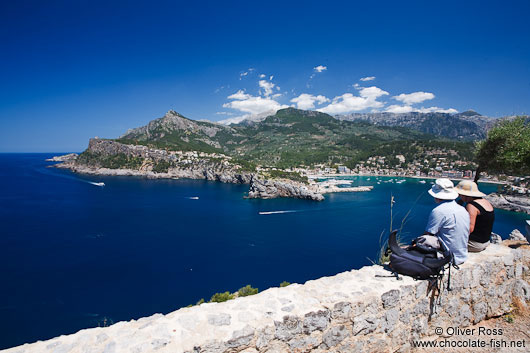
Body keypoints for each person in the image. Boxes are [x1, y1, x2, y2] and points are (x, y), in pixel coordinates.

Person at [424, 178, 470, 265]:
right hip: (461, 255)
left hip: (446, 257)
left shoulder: (439, 211)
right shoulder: (462, 209)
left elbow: (428, 235)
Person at [455, 180, 495, 252]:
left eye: (460, 194)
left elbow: (469, 229)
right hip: (485, 241)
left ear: (465, 195)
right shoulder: (485, 202)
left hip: (475, 244)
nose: (459, 197)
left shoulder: (471, 206)